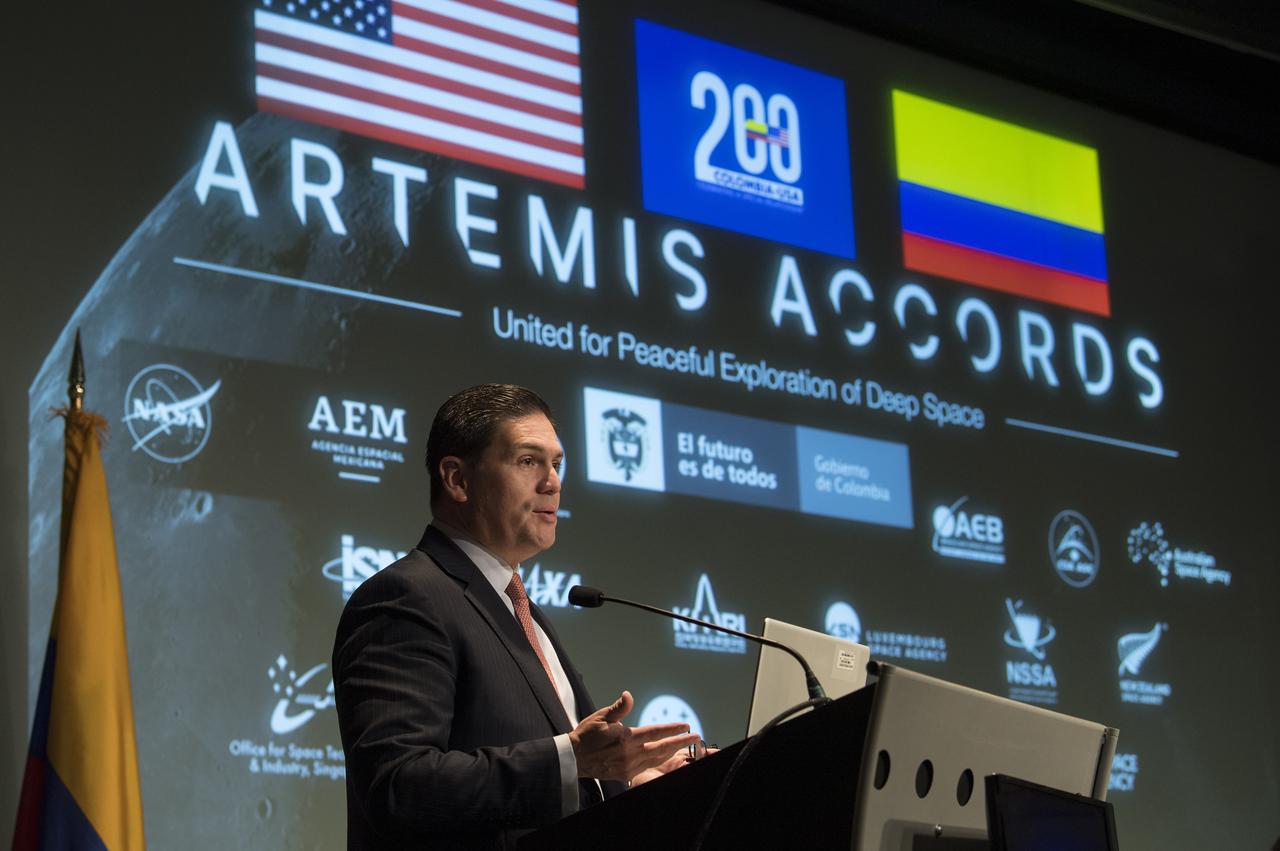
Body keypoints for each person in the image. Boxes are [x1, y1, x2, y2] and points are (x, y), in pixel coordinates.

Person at [333, 384, 700, 850]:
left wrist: (628, 778)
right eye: (528, 461)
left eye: (557, 463)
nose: (553, 482)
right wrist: (572, 760)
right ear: (457, 480)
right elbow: (398, 786)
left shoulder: (521, 610)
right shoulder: (406, 597)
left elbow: (559, 774)